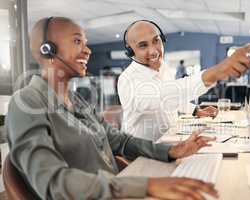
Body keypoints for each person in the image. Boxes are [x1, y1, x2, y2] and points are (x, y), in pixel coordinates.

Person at [6, 17, 218, 200]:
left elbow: (120, 141)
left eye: (86, 42)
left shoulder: (76, 99)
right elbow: (53, 183)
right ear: (48, 50)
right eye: (77, 41)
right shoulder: (26, 104)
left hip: (117, 189)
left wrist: (171, 151)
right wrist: (146, 185)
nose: (88, 50)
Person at [118, 20, 250, 141]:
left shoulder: (164, 69)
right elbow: (160, 96)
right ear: (130, 52)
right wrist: (216, 72)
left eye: (156, 41)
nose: (154, 50)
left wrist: (195, 110)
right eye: (143, 45)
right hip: (142, 155)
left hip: (170, 142)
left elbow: (171, 100)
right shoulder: (127, 79)